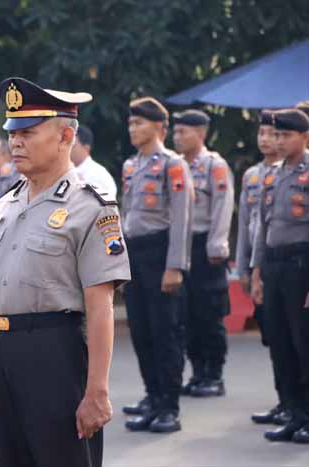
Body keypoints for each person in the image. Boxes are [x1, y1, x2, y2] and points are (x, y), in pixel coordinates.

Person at [0, 76, 130, 467]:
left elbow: (100, 306)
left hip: (56, 352)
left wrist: (97, 390)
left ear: (64, 136)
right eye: (12, 133)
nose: (15, 143)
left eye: (27, 132)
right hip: (6, 354)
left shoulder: (91, 206)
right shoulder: (5, 205)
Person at [120, 97, 193, 433]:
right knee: (142, 331)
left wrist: (175, 265)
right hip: (134, 254)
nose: (133, 128)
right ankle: (152, 396)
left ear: (159, 127)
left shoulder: (172, 164)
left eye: (139, 123)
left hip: (160, 252)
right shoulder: (130, 166)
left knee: (165, 333)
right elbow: (124, 214)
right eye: (131, 123)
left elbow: (181, 217)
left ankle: (169, 406)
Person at [250, 108, 309, 444]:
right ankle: (293, 412)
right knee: (281, 343)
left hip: (302, 264)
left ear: (304, 137)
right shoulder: (271, 175)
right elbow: (263, 228)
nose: (279, 141)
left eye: (286, 135)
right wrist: (257, 273)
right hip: (274, 264)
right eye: (277, 135)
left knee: (304, 343)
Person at [172, 110, 234, 398]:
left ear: (201, 134)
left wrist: (217, 245)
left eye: (183, 131)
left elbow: (223, 206)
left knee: (209, 313)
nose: (177, 136)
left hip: (205, 247)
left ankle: (214, 374)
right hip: (182, 246)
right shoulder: (175, 165)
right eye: (176, 131)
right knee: (187, 314)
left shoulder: (214, 166)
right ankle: (197, 372)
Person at [236, 110, 288, 425]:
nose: (266, 139)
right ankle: (285, 400)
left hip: (289, 260)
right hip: (262, 261)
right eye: (263, 133)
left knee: (295, 337)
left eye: (273, 133)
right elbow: (245, 224)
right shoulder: (253, 176)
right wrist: (244, 266)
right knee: (274, 335)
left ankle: (298, 403)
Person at [70, 125, 117, 196]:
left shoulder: (97, 174)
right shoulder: (66, 172)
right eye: (67, 144)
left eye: (72, 145)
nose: (68, 149)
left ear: (86, 148)